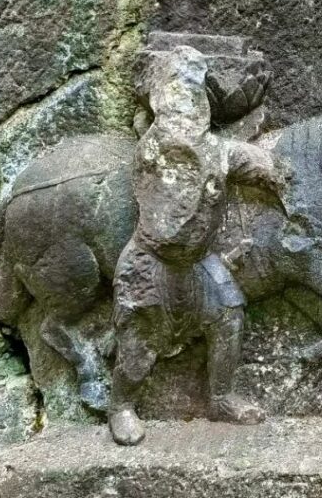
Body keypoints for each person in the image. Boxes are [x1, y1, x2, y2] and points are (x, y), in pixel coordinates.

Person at [109, 46, 284, 446]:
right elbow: (182, 167)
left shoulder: (220, 150)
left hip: (199, 262)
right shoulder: (155, 149)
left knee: (229, 316)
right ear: (161, 100)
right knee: (138, 345)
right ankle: (121, 406)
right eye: (177, 91)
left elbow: (261, 166)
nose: (185, 103)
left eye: (193, 93)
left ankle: (220, 397)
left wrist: (274, 172)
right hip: (148, 262)